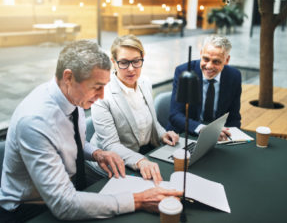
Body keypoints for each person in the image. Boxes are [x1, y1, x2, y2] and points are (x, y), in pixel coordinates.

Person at [0, 40, 182, 222]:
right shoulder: (35, 121)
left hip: (70, 191)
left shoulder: (72, 96)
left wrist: (96, 153)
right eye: (97, 87)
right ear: (69, 78)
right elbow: (64, 205)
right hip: (30, 210)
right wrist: (138, 200)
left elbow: (68, 141)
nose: (102, 96)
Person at [88, 35, 179, 185]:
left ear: (143, 58)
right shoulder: (102, 95)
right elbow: (110, 145)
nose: (131, 69)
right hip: (113, 160)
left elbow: (151, 121)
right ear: (113, 62)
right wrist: (141, 161)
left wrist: (163, 134)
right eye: (124, 62)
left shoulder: (145, 82)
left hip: (144, 151)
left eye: (136, 61)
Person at [167, 35, 241, 140]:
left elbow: (234, 118)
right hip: (185, 134)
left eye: (216, 61)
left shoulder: (234, 76)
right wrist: (204, 130)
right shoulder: (183, 71)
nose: (209, 66)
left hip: (217, 137)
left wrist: (231, 137)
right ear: (201, 53)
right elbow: (175, 115)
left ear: (226, 60)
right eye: (205, 59)